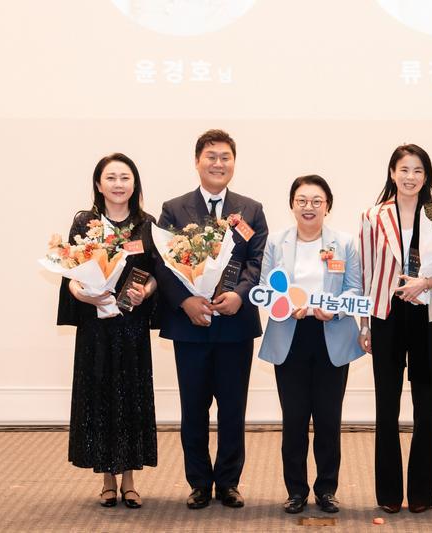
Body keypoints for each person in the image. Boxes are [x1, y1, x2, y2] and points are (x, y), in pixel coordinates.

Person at [155, 129, 268, 510]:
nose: (218, 164)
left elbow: (258, 260)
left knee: (233, 410)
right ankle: (200, 483)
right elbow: (163, 263)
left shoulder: (251, 209)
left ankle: (229, 482)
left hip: (235, 325)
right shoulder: (174, 209)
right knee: (193, 410)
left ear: (234, 163)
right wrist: (185, 301)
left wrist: (240, 294)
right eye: (211, 157)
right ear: (197, 161)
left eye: (225, 157)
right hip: (190, 326)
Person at [56, 153, 158, 509]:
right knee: (99, 398)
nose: (118, 184)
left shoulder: (147, 224)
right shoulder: (85, 223)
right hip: (95, 326)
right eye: (111, 178)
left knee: (131, 399)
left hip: (131, 325)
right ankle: (106, 480)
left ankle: (129, 479)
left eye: (125, 177)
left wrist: (146, 291)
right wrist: (80, 292)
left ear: (135, 184)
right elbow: (70, 271)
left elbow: (157, 272)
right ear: (99, 185)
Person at [258, 175, 364, 514]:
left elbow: (355, 288)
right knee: (294, 420)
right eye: (302, 200)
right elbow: (264, 287)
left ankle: (327, 489)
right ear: (292, 205)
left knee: (329, 420)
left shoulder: (343, 243)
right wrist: (286, 304)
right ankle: (296, 491)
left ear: (327, 206)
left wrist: (334, 308)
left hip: (331, 335)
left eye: (317, 201)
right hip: (290, 336)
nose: (309, 207)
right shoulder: (277, 242)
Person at [358, 144, 432, 514]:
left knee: (427, 406)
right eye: (404, 169)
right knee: (387, 406)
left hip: (427, 314)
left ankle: (423, 493)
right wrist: (364, 323)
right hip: (386, 316)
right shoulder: (373, 215)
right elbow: (365, 271)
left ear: (426, 176)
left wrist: (428, 283)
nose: (410, 177)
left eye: (418, 170)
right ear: (392, 173)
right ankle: (389, 494)